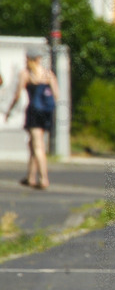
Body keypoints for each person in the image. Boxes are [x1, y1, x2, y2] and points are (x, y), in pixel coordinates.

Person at [5, 48, 59, 190]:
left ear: (29, 59)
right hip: (46, 113)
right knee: (33, 144)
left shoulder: (27, 74)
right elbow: (56, 95)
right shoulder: (49, 74)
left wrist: (9, 111)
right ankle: (30, 177)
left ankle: (43, 179)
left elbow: (17, 95)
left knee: (37, 146)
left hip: (34, 112)